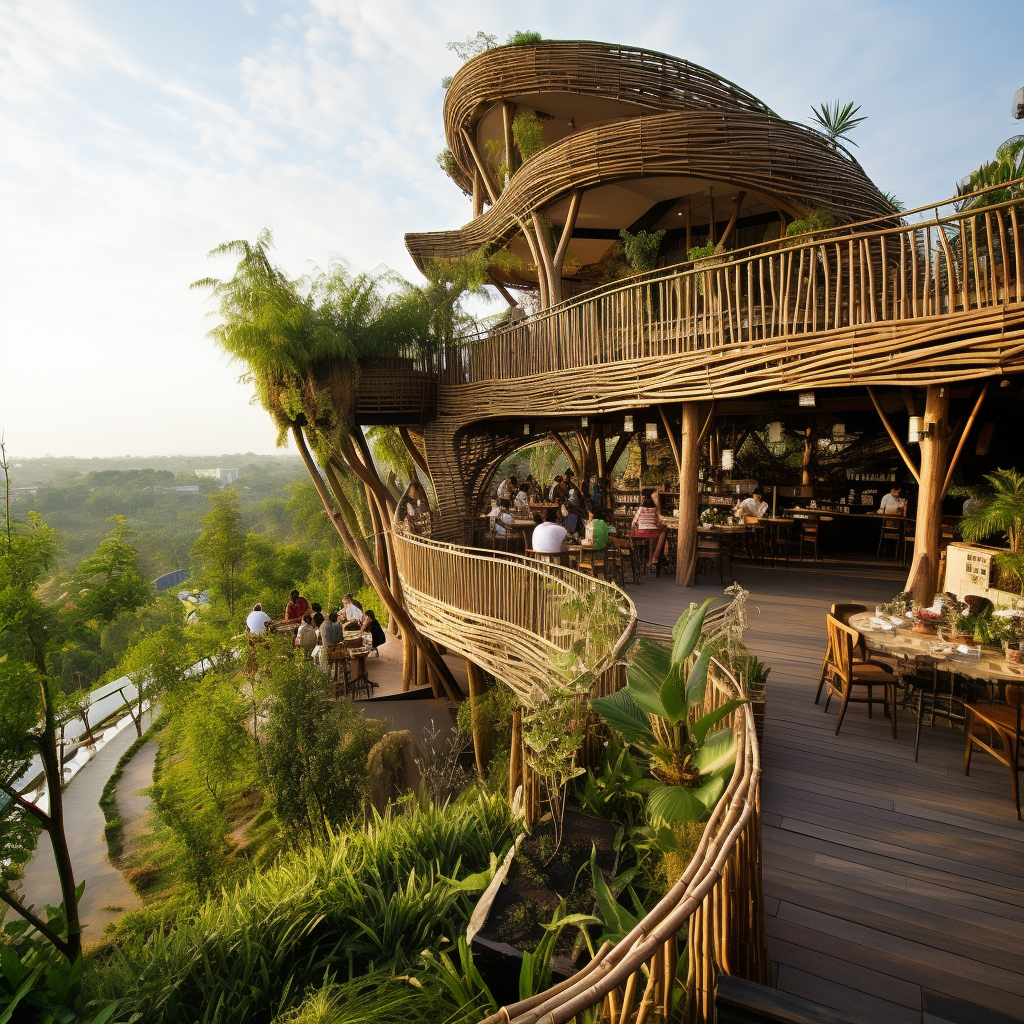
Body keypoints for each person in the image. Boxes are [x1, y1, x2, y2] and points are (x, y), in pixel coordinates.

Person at [631, 489, 667, 567]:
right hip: (652, 532)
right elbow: (656, 522)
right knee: (660, 535)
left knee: (650, 541)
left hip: (641, 533)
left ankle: (645, 560)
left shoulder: (640, 510)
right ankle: (654, 556)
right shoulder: (654, 510)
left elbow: (633, 523)